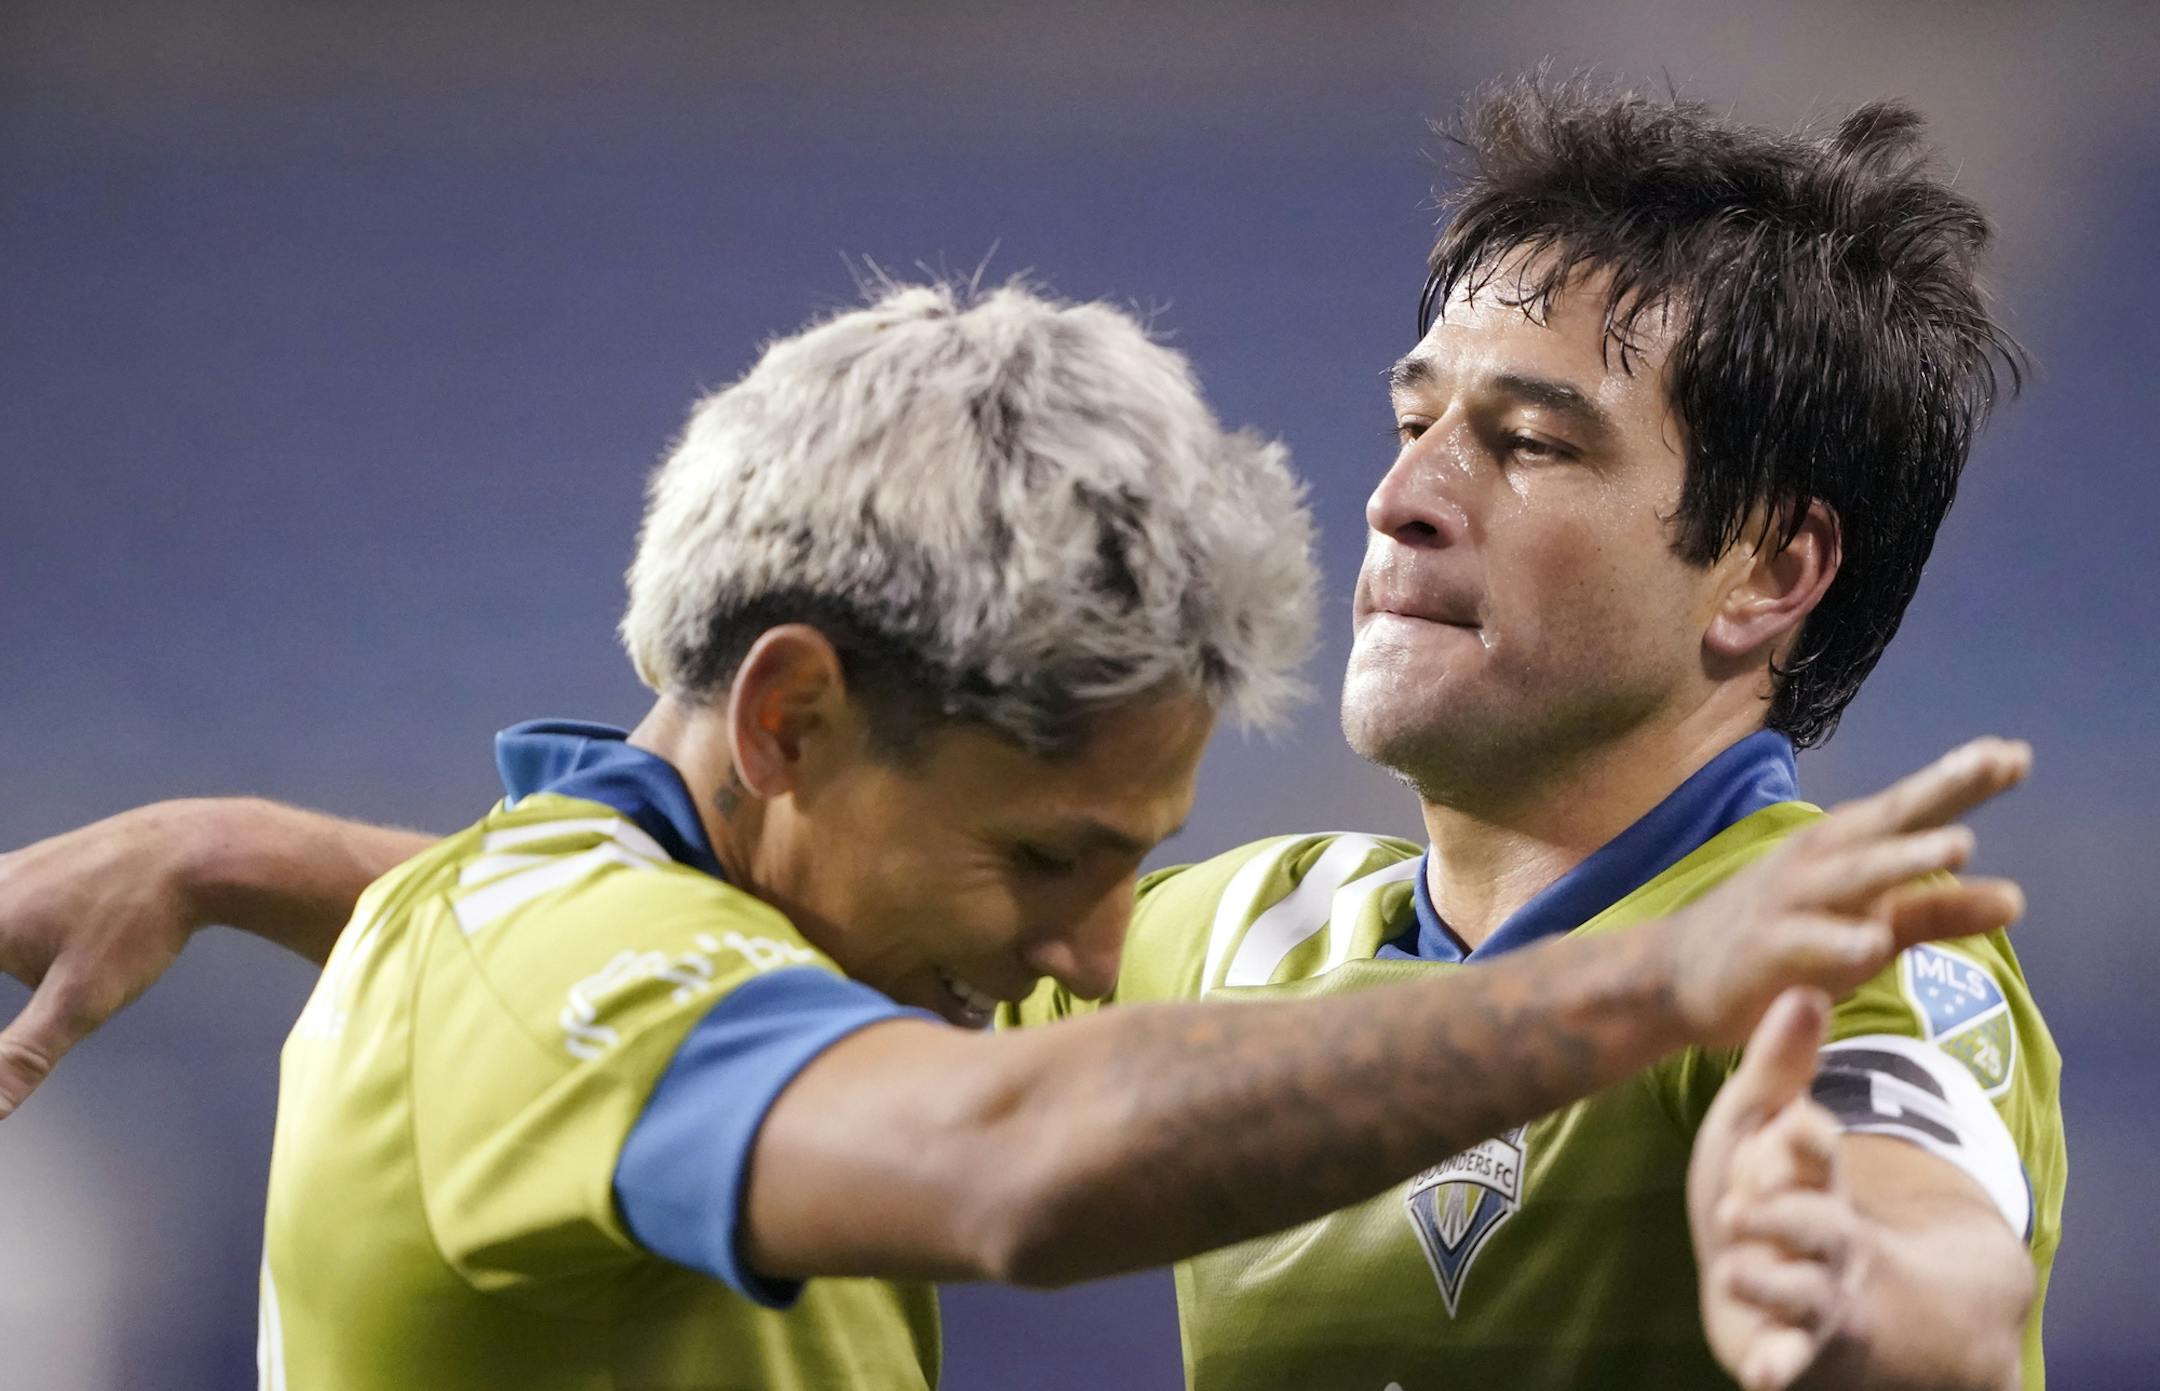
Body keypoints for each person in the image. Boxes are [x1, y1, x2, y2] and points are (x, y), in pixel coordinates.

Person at [0, 77, 2060, 1391]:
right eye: (1414, 420)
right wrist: (229, 848)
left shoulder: (1832, 939)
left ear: (1767, 571)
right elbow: (717, 965)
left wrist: (1863, 1307)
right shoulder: (1253, 936)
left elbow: (1933, 1252)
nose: (1408, 493)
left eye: (1527, 443)